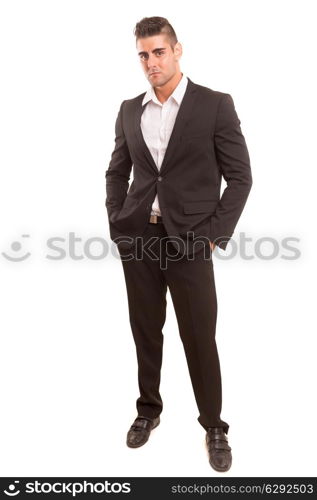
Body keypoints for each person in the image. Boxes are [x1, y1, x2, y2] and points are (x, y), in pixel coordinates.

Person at [105, 16, 252, 472]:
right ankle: (148, 411)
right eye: (143, 55)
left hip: (192, 243)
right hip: (141, 240)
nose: (151, 62)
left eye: (159, 52)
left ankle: (214, 426)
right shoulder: (131, 109)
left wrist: (212, 238)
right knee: (145, 333)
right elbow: (117, 171)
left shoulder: (214, 105)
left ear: (177, 50)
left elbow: (241, 178)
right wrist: (118, 223)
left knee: (199, 337)